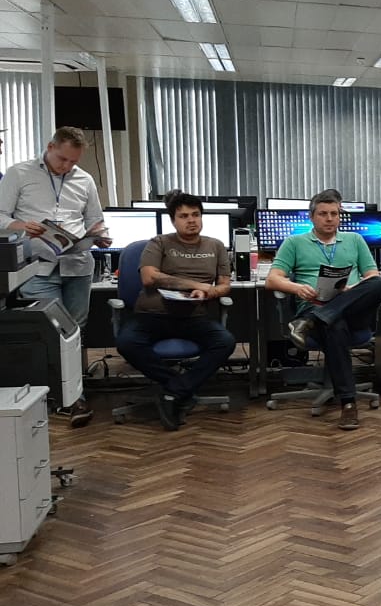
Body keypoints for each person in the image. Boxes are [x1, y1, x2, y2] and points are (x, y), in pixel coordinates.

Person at [0, 126, 110, 427]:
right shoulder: (19, 174)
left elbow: (95, 219)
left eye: (73, 162)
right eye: (62, 159)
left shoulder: (84, 179)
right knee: (50, 333)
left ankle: (74, 395)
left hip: (77, 265)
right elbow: (0, 216)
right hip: (38, 265)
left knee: (74, 332)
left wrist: (99, 235)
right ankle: (54, 397)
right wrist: (21, 225)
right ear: (50, 147)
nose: (67, 166)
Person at [266, 189, 381, 430]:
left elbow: (372, 275)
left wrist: (352, 289)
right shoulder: (294, 242)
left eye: (334, 213)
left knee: (379, 283)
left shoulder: (355, 240)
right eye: (323, 214)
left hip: (352, 310)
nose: (330, 218)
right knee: (335, 324)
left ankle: (314, 320)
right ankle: (349, 404)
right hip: (314, 304)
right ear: (312, 216)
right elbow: (272, 280)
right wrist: (297, 287)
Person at [115, 190, 236, 430]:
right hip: (153, 314)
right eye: (184, 216)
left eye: (196, 214)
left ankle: (172, 391)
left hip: (194, 316)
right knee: (126, 343)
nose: (191, 220)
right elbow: (149, 277)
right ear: (173, 220)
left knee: (225, 342)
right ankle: (180, 388)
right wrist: (194, 284)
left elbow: (225, 285)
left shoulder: (216, 246)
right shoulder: (159, 243)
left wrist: (208, 292)